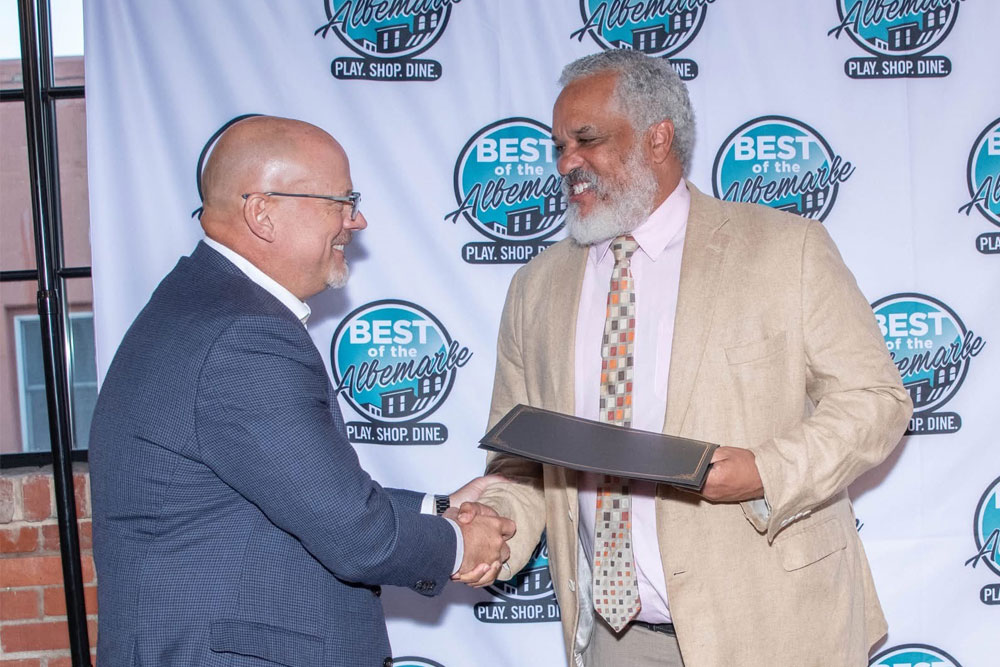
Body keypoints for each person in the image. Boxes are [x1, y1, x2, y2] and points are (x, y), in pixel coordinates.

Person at [461, 50, 912, 666]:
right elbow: (522, 457)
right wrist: (488, 528)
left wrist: (766, 471)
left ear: (658, 138)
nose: (567, 163)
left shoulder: (787, 250)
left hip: (776, 625)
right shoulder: (535, 287)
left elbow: (876, 401)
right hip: (616, 640)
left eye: (587, 139)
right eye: (560, 146)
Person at [89, 116, 514, 667]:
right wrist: (458, 544)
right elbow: (356, 535)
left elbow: (292, 495)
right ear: (262, 213)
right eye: (341, 201)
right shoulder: (241, 334)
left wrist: (439, 507)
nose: (357, 220)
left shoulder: (202, 304)